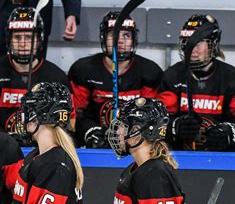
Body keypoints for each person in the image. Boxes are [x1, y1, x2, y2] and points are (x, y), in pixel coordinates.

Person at [0, 7, 74, 139]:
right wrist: (5, 138)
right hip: (0, 148)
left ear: (39, 40)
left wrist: (39, 137)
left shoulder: (56, 77)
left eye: (28, 37)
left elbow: (68, 123)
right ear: (9, 39)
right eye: (17, 37)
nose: (23, 43)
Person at [68, 11, 163, 148]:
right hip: (93, 145)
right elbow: (76, 114)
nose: (120, 41)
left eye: (126, 35)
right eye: (113, 35)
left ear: (133, 40)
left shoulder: (150, 71)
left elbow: (152, 116)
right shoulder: (83, 69)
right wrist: (90, 131)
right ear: (103, 38)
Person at [107, 97, 190, 204]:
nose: (117, 132)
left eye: (123, 126)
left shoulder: (155, 175)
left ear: (136, 132)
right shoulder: (135, 169)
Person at [158, 14, 235, 151]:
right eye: (188, 41)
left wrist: (230, 133)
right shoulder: (172, 76)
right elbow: (157, 126)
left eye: (199, 42)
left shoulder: (233, 78)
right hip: (178, 158)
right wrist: (174, 128)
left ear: (213, 44)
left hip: (221, 160)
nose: (192, 48)